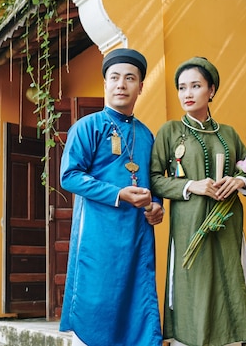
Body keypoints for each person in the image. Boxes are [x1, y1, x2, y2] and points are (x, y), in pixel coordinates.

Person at [150, 57, 246, 346]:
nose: (187, 94)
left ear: (211, 90)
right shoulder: (171, 132)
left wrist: (239, 181)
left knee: (228, 282)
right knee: (194, 287)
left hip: (227, 226)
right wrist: (191, 185)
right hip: (189, 227)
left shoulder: (228, 134)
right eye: (182, 87)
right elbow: (154, 179)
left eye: (196, 86)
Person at [59, 48, 165, 346]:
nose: (121, 84)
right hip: (97, 235)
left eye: (130, 78)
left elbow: (154, 182)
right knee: (96, 306)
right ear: (105, 83)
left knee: (137, 307)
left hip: (136, 237)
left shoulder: (147, 135)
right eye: (115, 77)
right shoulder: (87, 127)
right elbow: (69, 176)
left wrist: (157, 206)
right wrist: (118, 193)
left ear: (140, 87)